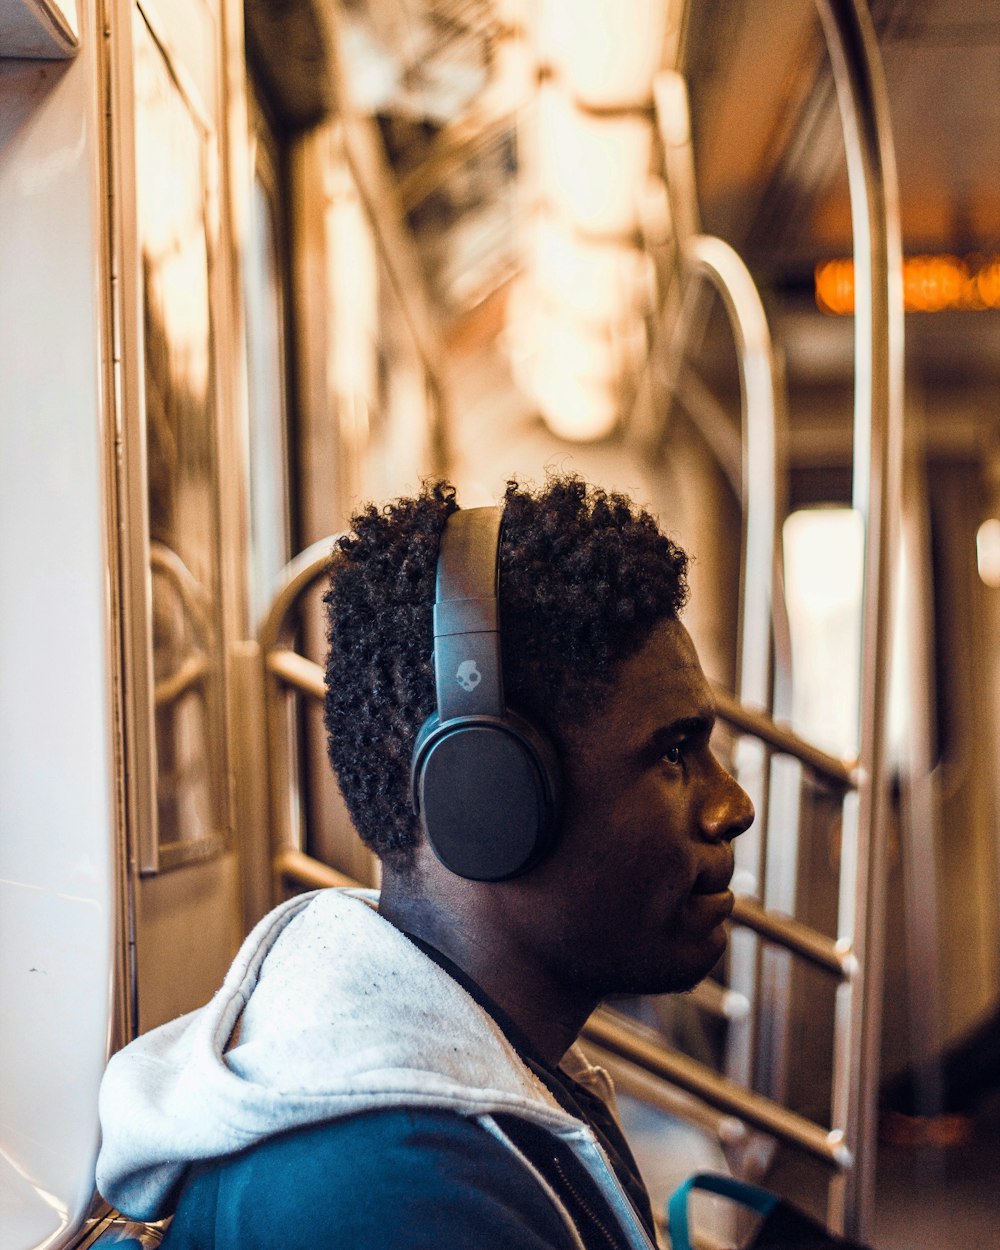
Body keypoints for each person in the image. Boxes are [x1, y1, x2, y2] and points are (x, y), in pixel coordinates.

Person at [97, 475, 754, 1249]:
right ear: (488, 799)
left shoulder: (491, 1088)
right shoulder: (392, 1198)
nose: (732, 806)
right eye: (675, 754)